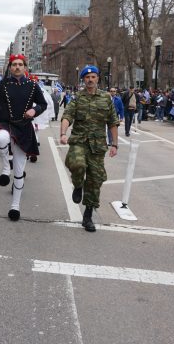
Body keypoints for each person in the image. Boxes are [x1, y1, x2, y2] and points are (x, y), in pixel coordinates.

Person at [0, 54, 47, 220]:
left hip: (24, 127)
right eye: (14, 64)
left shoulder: (33, 85)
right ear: (10, 67)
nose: (17, 67)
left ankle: (15, 206)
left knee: (19, 171)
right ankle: (5, 167)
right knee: (1, 139)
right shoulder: (2, 84)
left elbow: (43, 104)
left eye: (20, 64)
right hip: (5, 123)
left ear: (25, 67)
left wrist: (35, 110)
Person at [60, 65, 119, 232]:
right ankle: (78, 185)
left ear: (98, 78)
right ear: (83, 80)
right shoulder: (77, 97)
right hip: (79, 141)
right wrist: (63, 133)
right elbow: (67, 116)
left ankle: (88, 216)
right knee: (77, 165)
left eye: (93, 77)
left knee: (95, 181)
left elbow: (112, 122)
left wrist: (114, 144)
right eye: (87, 77)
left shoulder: (106, 98)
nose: (90, 80)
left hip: (97, 146)